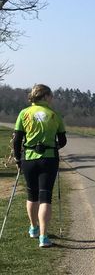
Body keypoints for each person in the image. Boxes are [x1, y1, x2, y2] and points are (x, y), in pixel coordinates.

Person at [12, 84, 66, 248]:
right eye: (51, 96)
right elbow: (62, 141)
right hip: (48, 160)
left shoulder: (24, 113)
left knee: (32, 195)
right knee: (45, 197)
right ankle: (44, 237)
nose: (52, 99)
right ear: (45, 96)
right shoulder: (54, 115)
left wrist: (17, 159)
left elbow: (17, 140)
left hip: (28, 159)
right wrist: (53, 145)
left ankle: (33, 228)